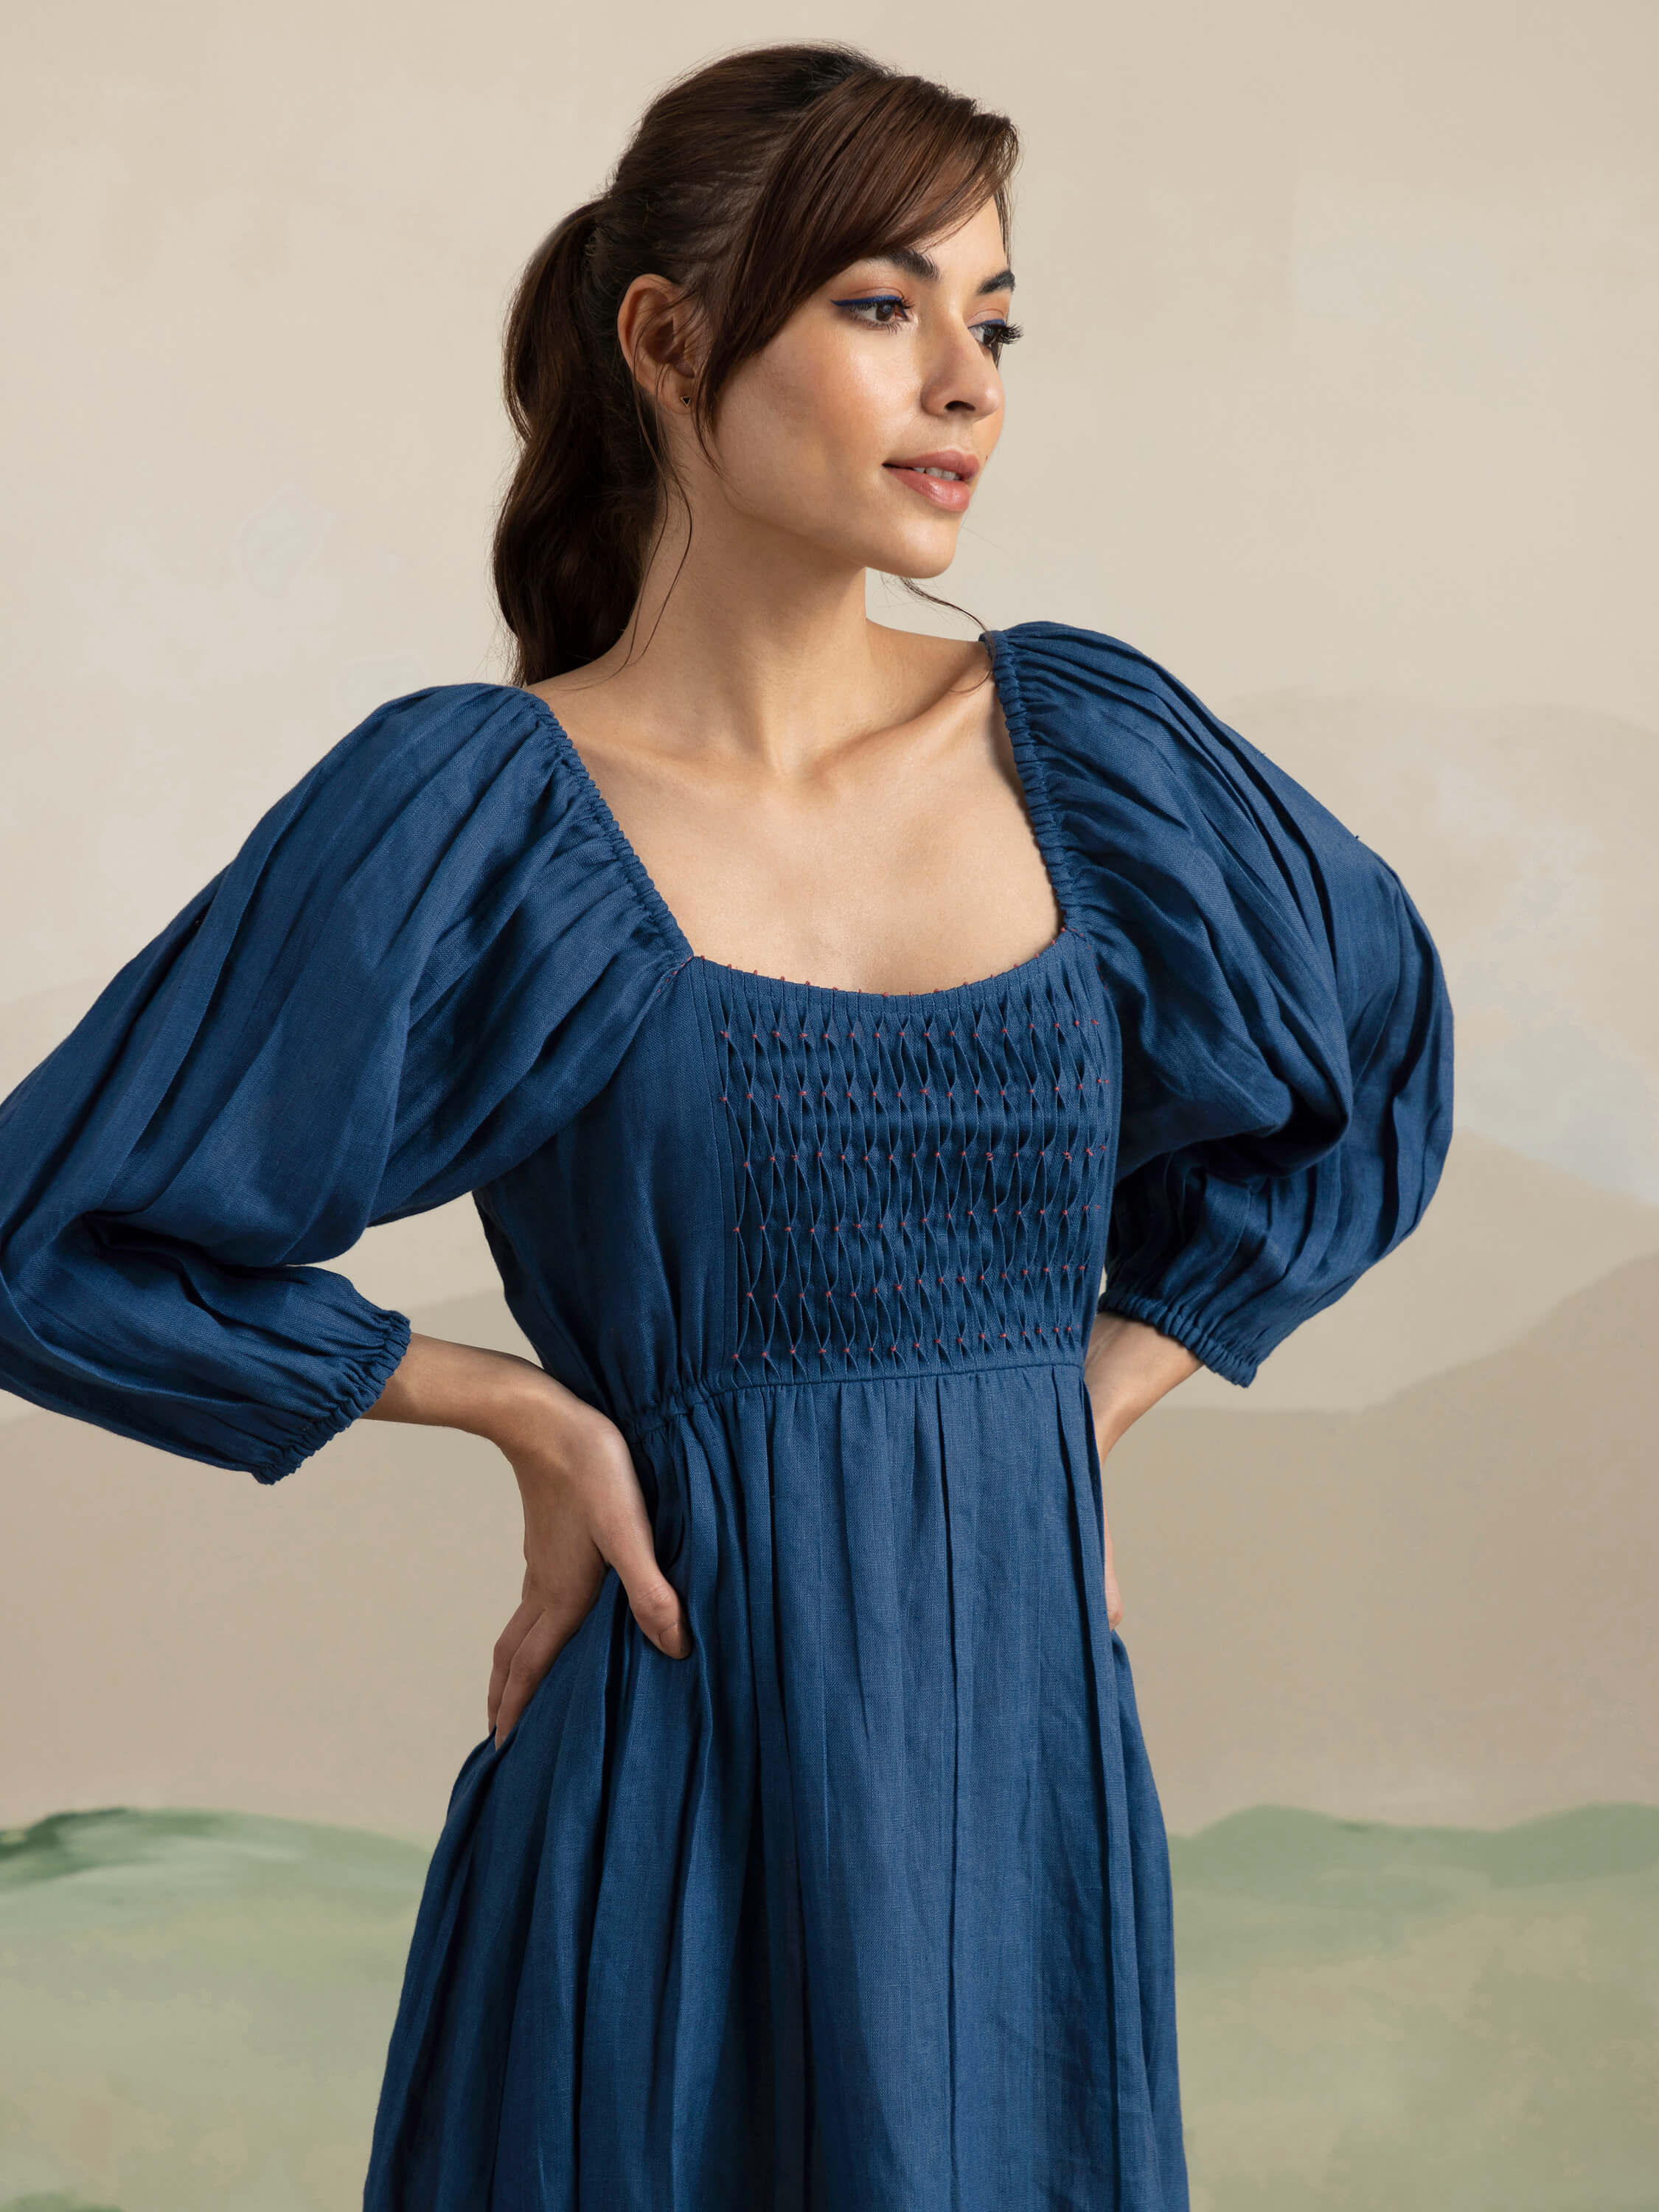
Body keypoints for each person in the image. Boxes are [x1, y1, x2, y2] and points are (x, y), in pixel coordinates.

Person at [0, 41, 1453, 2212]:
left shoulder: (1095, 755)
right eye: (881, 306)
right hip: (662, 1766)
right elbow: (48, 1240)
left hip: (1011, 1801)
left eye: (994, 320)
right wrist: (526, 1415)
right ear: (667, 339)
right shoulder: (476, 815)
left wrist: (1084, 1405)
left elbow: (1371, 1071)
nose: (966, 382)